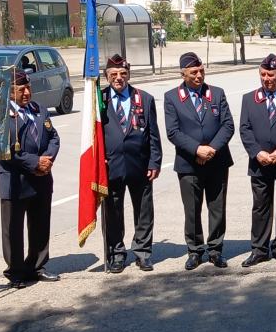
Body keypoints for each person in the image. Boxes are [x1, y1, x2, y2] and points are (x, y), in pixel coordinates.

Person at [164, 52, 235, 271]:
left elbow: (228, 125)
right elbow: (173, 132)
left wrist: (211, 149)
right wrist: (197, 150)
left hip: (217, 160)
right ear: (183, 74)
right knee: (192, 210)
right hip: (189, 163)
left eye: (201, 71)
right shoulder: (172, 97)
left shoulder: (217, 93)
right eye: (194, 72)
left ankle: (215, 250)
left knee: (217, 208)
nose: (199, 75)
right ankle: (194, 251)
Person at [0, 70, 60, 288]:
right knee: (13, 229)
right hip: (16, 181)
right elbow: (5, 151)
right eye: (20, 89)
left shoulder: (39, 110)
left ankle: (37, 265)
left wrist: (48, 159)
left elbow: (54, 137)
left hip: (42, 178)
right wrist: (35, 163)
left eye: (28, 88)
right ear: (10, 91)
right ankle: (15, 272)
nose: (26, 92)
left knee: (41, 224)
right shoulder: (2, 116)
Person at [101, 54, 163, 273]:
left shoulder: (143, 98)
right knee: (113, 212)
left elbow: (153, 134)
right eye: (114, 74)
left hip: (140, 165)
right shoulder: (99, 100)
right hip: (111, 167)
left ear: (128, 75)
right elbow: (93, 136)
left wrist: (155, 161)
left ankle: (143, 252)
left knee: (144, 211)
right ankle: (116, 253)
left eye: (123, 74)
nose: (119, 78)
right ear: (106, 76)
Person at [239, 54, 276, 267]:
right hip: (260, 163)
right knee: (260, 206)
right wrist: (257, 153)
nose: (267, 79)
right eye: (263, 74)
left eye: (271, 75)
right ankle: (259, 249)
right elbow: (245, 129)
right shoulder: (249, 98)